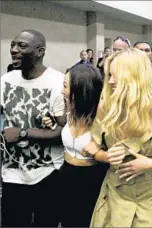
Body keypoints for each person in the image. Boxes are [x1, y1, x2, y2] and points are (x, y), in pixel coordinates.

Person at [82, 48, 152, 227]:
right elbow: (93, 148)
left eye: (116, 76)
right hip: (115, 194)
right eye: (109, 75)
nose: (111, 81)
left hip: (151, 198)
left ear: (135, 77)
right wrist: (105, 156)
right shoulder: (106, 107)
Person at [0, 29, 65, 227]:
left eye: (22, 46)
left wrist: (22, 133)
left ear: (39, 51)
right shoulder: (6, 80)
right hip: (11, 173)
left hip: (47, 172)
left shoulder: (57, 82)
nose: (14, 50)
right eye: (13, 45)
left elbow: (64, 132)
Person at [42, 64, 107, 227]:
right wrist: (52, 123)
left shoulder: (103, 120)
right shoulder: (72, 112)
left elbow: (120, 156)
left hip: (91, 181)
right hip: (66, 174)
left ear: (81, 89)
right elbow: (67, 135)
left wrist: (99, 154)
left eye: (65, 86)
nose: (62, 90)